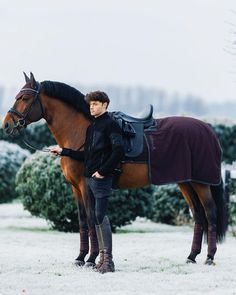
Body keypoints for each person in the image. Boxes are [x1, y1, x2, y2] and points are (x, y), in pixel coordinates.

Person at [50, 91, 124, 273]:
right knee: (94, 216)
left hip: (101, 178)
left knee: (100, 215)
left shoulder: (111, 125)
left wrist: (103, 171)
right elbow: (86, 156)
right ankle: (100, 258)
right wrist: (64, 151)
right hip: (90, 178)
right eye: (91, 104)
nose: (92, 107)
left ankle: (108, 261)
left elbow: (119, 151)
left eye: (96, 104)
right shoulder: (92, 127)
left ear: (105, 105)